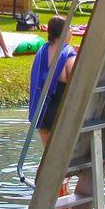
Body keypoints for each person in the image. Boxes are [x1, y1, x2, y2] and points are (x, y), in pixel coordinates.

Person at [28, 16, 76, 145]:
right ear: (65, 32)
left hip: (41, 110)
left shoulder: (42, 51)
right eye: (70, 28)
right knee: (60, 148)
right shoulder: (69, 55)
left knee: (47, 150)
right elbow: (76, 82)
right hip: (58, 109)